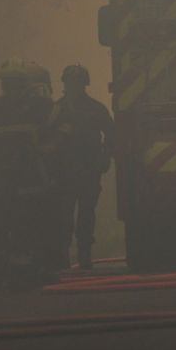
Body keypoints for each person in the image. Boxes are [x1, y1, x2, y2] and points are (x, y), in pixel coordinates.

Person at [0, 59, 58, 290]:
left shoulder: (42, 108)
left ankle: (31, 272)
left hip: (32, 180)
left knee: (29, 227)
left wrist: (47, 156)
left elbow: (57, 138)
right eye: (7, 83)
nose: (10, 87)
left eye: (15, 83)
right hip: (1, 182)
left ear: (24, 84)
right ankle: (2, 270)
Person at [52, 64, 114, 271]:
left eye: (77, 82)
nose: (74, 86)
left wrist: (106, 156)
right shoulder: (56, 110)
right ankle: (62, 255)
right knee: (64, 215)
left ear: (84, 84)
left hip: (88, 170)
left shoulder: (96, 109)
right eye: (71, 82)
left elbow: (111, 135)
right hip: (64, 171)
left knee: (86, 214)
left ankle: (84, 255)